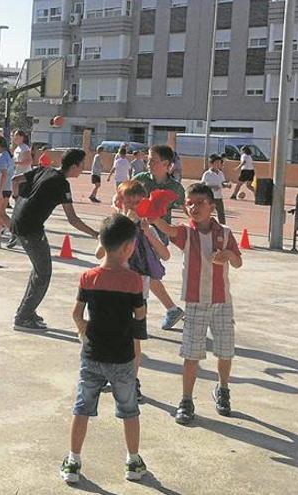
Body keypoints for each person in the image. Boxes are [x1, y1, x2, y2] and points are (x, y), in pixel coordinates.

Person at [62, 213, 148, 484]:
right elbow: (140, 318)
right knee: (129, 410)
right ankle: (133, 461)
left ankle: (73, 461)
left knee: (82, 408)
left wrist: (84, 332)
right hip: (122, 358)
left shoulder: (88, 277)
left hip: (92, 356)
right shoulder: (134, 281)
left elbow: (76, 313)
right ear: (128, 248)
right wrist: (137, 355)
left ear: (101, 241)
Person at [151, 183, 243, 425]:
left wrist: (227, 256)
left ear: (212, 206)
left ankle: (222, 388)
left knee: (225, 352)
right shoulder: (186, 233)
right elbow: (166, 228)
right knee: (191, 355)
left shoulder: (224, 232)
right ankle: (186, 400)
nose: (194, 207)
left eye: (200, 203)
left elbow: (237, 262)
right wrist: (152, 215)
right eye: (189, 203)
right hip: (195, 303)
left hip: (222, 303)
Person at [11, 149, 99, 331]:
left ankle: (27, 310)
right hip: (30, 228)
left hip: (19, 221)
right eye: (82, 165)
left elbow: (16, 180)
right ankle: (22, 318)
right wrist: (96, 234)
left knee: (38, 270)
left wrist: (17, 198)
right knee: (43, 273)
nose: (83, 169)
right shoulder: (62, 184)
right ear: (74, 166)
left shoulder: (45, 170)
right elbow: (73, 219)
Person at [98, 181, 171, 401]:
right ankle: (109, 375)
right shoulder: (111, 225)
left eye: (138, 202)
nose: (133, 207)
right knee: (110, 337)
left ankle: (132, 380)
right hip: (111, 291)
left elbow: (165, 255)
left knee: (133, 341)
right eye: (128, 202)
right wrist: (122, 227)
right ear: (119, 202)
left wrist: (148, 233)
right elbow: (99, 253)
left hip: (138, 293)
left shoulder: (146, 227)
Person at [132, 144, 187, 330]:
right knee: (145, 274)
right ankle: (169, 310)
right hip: (137, 233)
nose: (149, 163)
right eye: (148, 160)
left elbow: (186, 209)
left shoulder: (176, 188)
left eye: (153, 161)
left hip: (157, 236)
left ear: (166, 164)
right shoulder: (140, 180)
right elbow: (125, 198)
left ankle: (142, 318)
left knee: (145, 273)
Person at [202, 154, 229, 224]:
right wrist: (212, 187)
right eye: (216, 163)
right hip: (209, 197)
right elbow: (203, 185)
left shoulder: (220, 173)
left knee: (221, 213)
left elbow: (222, 183)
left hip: (218, 197)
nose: (218, 165)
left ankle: (223, 227)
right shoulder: (207, 174)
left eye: (219, 163)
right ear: (211, 163)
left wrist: (226, 185)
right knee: (206, 213)